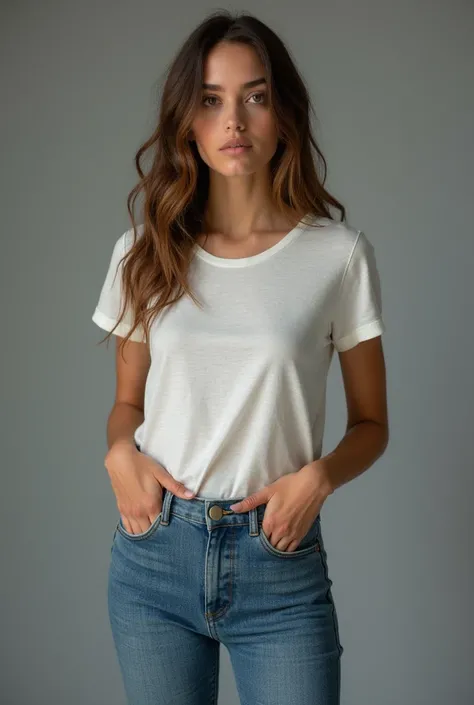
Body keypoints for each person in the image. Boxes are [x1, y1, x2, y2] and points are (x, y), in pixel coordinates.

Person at [91, 10, 389, 705]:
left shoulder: (337, 256)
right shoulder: (142, 251)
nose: (235, 121)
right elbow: (127, 404)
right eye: (211, 99)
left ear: (281, 112)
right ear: (187, 121)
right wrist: (117, 454)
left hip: (278, 561)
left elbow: (373, 422)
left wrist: (317, 479)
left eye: (255, 96)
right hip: (155, 557)